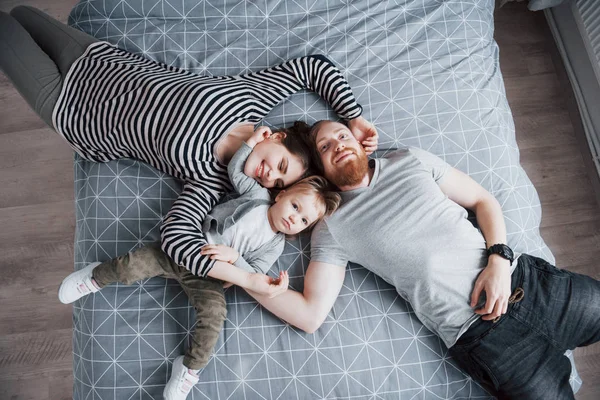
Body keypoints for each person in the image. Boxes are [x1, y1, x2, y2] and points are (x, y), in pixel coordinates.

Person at [0, 6, 378, 280]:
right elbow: (313, 68)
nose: (268, 177)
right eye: (279, 165)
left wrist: (240, 272)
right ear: (274, 136)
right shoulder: (250, 98)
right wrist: (354, 117)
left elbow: (176, 239)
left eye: (276, 184)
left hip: (74, 110)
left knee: (6, 29)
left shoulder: (212, 181)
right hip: (99, 61)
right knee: (22, 11)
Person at [247, 120, 600, 399]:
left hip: (528, 282)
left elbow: (483, 201)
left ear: (357, 140)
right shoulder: (331, 227)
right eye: (325, 146)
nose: (338, 144)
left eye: (341, 135)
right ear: (319, 170)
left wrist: (499, 261)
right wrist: (242, 275)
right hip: (486, 337)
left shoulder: (409, 159)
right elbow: (310, 315)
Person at [57, 126, 342, 400]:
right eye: (295, 206)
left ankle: (189, 368)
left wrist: (236, 258)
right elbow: (236, 169)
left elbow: (254, 274)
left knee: (214, 317)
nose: (294, 218)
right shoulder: (256, 196)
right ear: (280, 194)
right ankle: (94, 276)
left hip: (208, 278)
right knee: (131, 265)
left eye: (303, 221)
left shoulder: (274, 244)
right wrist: (252, 142)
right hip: (187, 245)